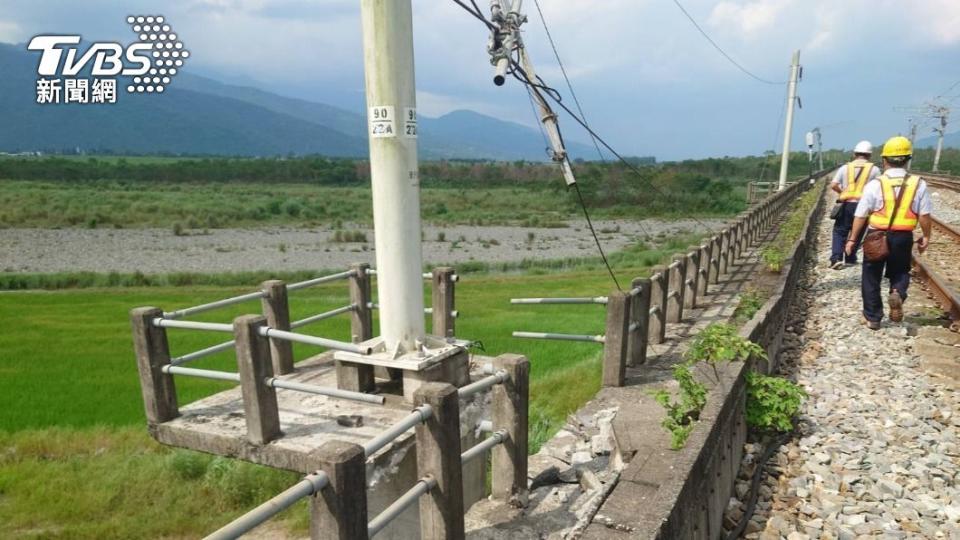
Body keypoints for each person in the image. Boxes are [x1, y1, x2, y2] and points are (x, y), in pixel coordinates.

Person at [845, 136, 933, 330]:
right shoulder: (919, 184)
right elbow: (925, 215)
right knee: (900, 271)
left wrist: (852, 239)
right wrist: (926, 236)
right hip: (903, 236)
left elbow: (860, 215)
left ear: (885, 160)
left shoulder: (875, 184)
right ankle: (897, 293)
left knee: (871, 275)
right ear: (907, 159)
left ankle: (873, 317)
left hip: (876, 236)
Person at [829, 140, 880, 269]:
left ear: (854, 153)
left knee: (840, 231)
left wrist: (842, 192)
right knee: (857, 232)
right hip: (864, 205)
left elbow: (833, 185)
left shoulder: (845, 168)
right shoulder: (874, 170)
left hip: (846, 204)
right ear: (869, 155)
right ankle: (850, 257)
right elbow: (879, 188)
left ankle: (836, 258)